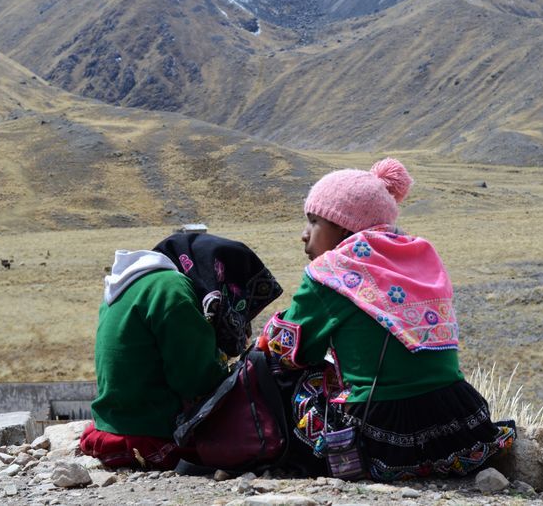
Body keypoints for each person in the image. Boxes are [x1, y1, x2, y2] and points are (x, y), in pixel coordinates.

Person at [259, 158, 515, 480]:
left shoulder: (329, 272)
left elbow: (288, 350)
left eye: (313, 221)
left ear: (343, 225)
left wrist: (268, 336)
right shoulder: (421, 255)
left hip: (382, 435)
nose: (304, 234)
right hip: (460, 426)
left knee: (285, 374)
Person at [80, 232, 283, 470]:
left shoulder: (136, 282)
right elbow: (197, 380)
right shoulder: (172, 291)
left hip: (111, 427)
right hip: (148, 437)